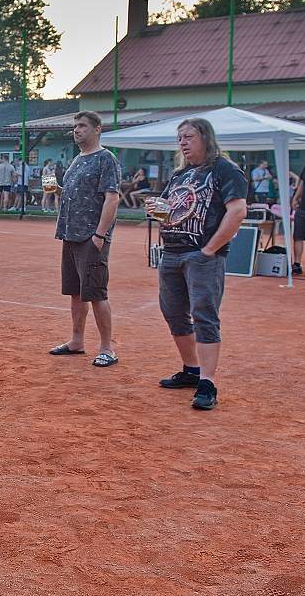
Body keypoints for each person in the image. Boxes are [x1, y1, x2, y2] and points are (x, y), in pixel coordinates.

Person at [146, 118, 247, 411]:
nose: (183, 143)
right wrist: (158, 210)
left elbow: (237, 211)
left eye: (188, 136)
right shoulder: (180, 174)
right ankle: (191, 369)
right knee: (174, 313)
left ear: (206, 137)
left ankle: (207, 382)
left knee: (204, 316)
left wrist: (210, 249)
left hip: (201, 256)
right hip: (173, 252)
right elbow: (170, 211)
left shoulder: (225, 170)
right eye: (179, 138)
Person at [49, 111, 121, 368]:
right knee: (76, 293)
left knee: (96, 292)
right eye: (75, 126)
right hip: (70, 234)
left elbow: (112, 198)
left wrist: (100, 234)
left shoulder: (105, 159)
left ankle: (107, 347)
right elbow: (71, 193)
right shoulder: (78, 159)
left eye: (82, 126)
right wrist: (56, 189)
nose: (76, 130)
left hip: (91, 236)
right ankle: (77, 341)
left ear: (97, 129)